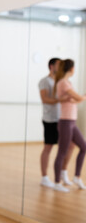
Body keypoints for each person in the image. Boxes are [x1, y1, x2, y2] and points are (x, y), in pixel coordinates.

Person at [39, 58, 74, 188]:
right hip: (50, 120)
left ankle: (63, 172)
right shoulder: (44, 81)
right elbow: (45, 99)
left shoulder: (62, 81)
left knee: (70, 145)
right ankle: (44, 177)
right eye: (58, 65)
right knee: (48, 147)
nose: (60, 67)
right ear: (51, 66)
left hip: (62, 119)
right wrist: (61, 99)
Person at [53, 59, 86, 192]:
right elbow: (78, 99)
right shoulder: (63, 83)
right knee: (62, 151)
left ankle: (77, 177)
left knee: (84, 147)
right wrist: (81, 97)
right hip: (66, 122)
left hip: (72, 122)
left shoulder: (68, 83)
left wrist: (77, 98)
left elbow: (75, 100)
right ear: (71, 68)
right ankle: (56, 182)